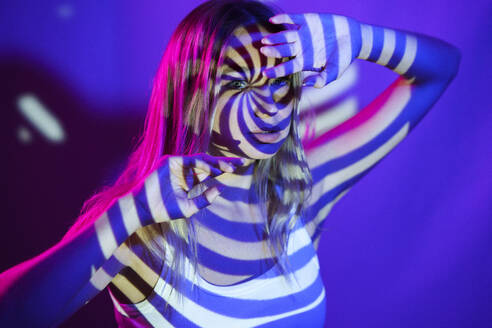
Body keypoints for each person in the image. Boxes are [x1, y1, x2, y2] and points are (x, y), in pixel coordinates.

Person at [0, 0, 460, 327]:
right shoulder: (143, 229)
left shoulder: (302, 190)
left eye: (280, 82)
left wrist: (360, 38)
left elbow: (442, 68)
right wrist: (129, 214)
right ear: (193, 97)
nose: (269, 106)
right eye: (241, 82)